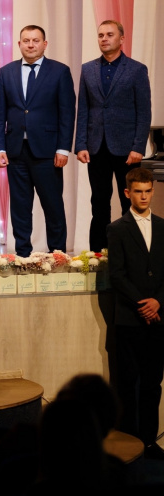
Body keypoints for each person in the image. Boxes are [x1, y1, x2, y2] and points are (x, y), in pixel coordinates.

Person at [0, 25, 76, 257]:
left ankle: (57, 255)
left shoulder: (60, 71)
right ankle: (22, 255)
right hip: (15, 151)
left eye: (35, 40)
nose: (31, 45)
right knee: (20, 207)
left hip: (48, 152)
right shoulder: (6, 72)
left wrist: (63, 148)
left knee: (53, 205)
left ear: (44, 44)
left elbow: (67, 113)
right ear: (19, 44)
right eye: (26, 40)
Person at [76, 20, 152, 253]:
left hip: (127, 149)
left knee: (130, 202)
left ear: (121, 39)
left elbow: (144, 112)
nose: (104, 39)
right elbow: (83, 109)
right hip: (96, 147)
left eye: (109, 34)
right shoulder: (87, 69)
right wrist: (81, 144)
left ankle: (131, 253)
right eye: (101, 35)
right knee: (99, 202)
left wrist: (138, 146)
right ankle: (98, 254)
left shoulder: (137, 70)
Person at [106, 168, 164, 459]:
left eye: (148, 191)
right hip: (130, 319)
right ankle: (129, 444)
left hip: (159, 320)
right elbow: (117, 274)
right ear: (127, 193)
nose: (144, 196)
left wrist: (158, 302)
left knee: (153, 384)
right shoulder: (117, 229)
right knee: (128, 383)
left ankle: (150, 441)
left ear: (153, 191)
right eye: (138, 191)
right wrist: (144, 304)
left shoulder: (163, 226)